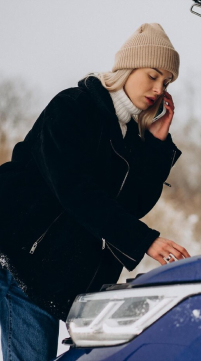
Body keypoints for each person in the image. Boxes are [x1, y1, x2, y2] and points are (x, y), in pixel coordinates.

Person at [0, 23, 190, 360]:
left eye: (167, 82)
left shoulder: (131, 137)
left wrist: (157, 148)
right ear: (128, 68)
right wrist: (145, 240)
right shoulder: (73, 108)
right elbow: (75, 191)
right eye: (153, 75)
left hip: (60, 277)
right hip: (22, 259)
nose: (159, 88)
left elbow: (132, 205)